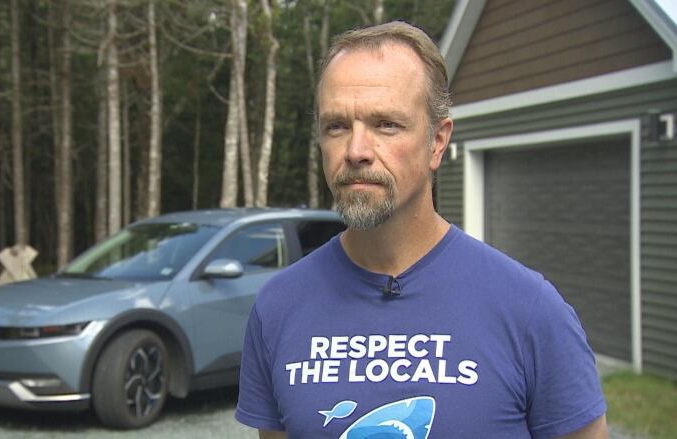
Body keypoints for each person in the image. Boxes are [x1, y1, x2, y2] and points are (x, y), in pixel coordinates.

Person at [235, 21, 608, 439]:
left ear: (437, 142)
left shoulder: (531, 311)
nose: (356, 151)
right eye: (336, 126)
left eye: (386, 124)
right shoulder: (277, 308)